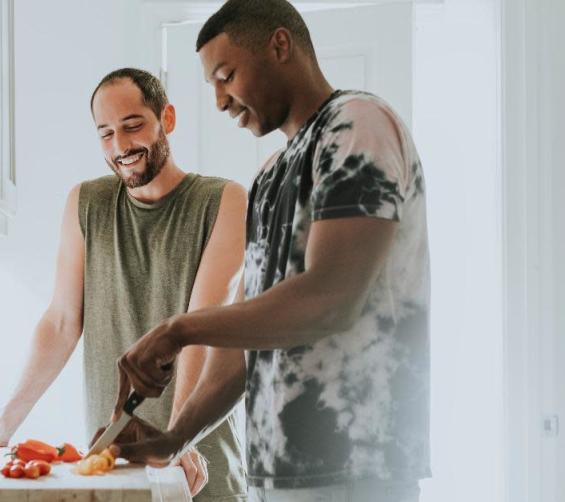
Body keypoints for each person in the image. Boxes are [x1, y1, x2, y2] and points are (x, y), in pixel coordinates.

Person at [107, 2, 431, 501]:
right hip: (278, 477)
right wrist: (174, 439)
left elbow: (331, 299)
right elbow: (244, 342)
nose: (219, 101)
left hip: (358, 473)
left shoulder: (356, 126)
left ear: (280, 46)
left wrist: (179, 330)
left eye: (226, 75)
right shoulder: (271, 173)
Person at [0, 68, 249, 501]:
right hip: (116, 465)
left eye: (133, 126)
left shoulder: (223, 201)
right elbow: (61, 322)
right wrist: (2, 427)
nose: (120, 146)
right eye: (105, 133)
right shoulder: (86, 203)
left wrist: (180, 436)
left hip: (198, 464)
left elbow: (202, 329)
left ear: (168, 118)